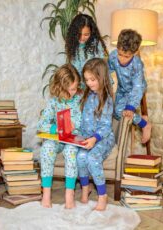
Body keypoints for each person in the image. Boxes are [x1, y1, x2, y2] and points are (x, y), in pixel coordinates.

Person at [37, 64, 82, 209]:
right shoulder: (54, 102)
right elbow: (41, 124)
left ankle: (70, 194)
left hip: (73, 139)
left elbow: (87, 121)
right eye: (69, 90)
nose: (73, 93)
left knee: (70, 151)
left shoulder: (80, 99)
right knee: (46, 148)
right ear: (60, 88)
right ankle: (46, 194)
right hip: (57, 139)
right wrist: (55, 128)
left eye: (75, 88)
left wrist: (76, 126)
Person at [77, 58, 115, 211]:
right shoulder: (86, 96)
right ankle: (86, 188)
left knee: (92, 158)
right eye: (86, 80)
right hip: (87, 137)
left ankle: (102, 195)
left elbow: (106, 126)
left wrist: (94, 139)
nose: (89, 83)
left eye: (92, 79)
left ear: (102, 77)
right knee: (80, 157)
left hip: (103, 137)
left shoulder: (106, 99)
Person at [108, 29, 151, 143]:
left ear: (135, 52)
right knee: (116, 113)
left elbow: (137, 88)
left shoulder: (137, 65)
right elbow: (107, 72)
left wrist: (131, 107)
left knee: (120, 110)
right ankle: (141, 119)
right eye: (120, 54)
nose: (121, 59)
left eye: (126, 56)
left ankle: (144, 124)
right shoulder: (113, 56)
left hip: (135, 89)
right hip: (122, 88)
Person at [65, 13, 108, 85]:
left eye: (86, 35)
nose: (82, 38)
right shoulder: (73, 45)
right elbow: (74, 69)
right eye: (79, 34)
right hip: (80, 85)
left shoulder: (96, 45)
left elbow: (102, 68)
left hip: (96, 83)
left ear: (91, 33)